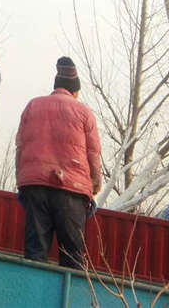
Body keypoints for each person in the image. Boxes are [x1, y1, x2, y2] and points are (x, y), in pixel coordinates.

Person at [15, 56, 102, 269]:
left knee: (35, 253)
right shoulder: (84, 112)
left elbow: (20, 147)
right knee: (72, 256)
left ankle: (32, 297)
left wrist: (22, 179)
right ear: (74, 91)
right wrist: (94, 185)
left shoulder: (33, 106)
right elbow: (93, 153)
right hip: (71, 191)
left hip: (35, 186)